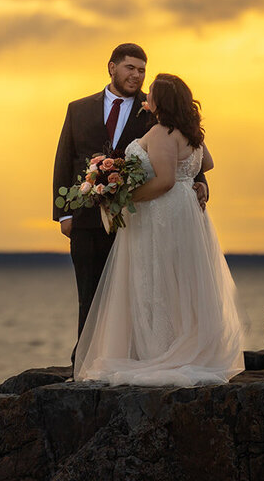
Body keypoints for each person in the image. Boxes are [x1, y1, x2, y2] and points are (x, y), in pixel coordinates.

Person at [72, 73, 244, 386]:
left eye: (151, 93)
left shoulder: (162, 132)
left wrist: (122, 200)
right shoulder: (191, 132)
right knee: (178, 279)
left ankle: (159, 351)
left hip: (162, 213)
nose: (146, 97)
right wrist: (191, 181)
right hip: (186, 212)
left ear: (161, 101)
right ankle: (173, 343)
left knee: (156, 278)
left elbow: (164, 181)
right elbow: (207, 163)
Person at [53, 44, 208, 358]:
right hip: (87, 214)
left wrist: (200, 180)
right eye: (130, 68)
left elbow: (183, 152)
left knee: (135, 289)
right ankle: (83, 361)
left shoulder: (155, 110)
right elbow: (64, 159)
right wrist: (63, 214)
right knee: (90, 292)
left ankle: (130, 355)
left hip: (138, 217)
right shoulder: (78, 108)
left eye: (142, 71)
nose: (137, 76)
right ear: (112, 67)